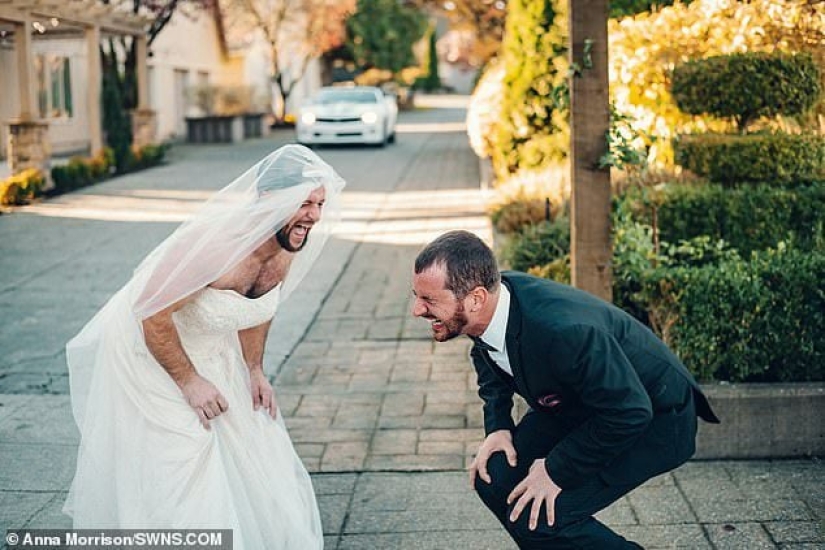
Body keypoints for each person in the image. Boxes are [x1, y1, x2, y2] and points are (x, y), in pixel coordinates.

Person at [63, 144, 346, 549]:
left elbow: (258, 307)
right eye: (304, 203)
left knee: (247, 441)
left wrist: (253, 369)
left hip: (207, 345)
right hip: (146, 349)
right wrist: (189, 381)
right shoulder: (215, 247)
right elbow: (150, 314)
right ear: (269, 197)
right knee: (185, 452)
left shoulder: (287, 247)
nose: (314, 216)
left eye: (319, 203)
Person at [411, 230, 719, 549]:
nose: (417, 310)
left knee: (542, 520)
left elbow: (630, 412)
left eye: (429, 300)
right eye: (417, 296)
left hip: (656, 417)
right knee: (495, 478)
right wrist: (498, 425)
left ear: (476, 299)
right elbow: (484, 348)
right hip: (582, 402)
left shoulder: (563, 332)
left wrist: (557, 470)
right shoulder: (488, 304)